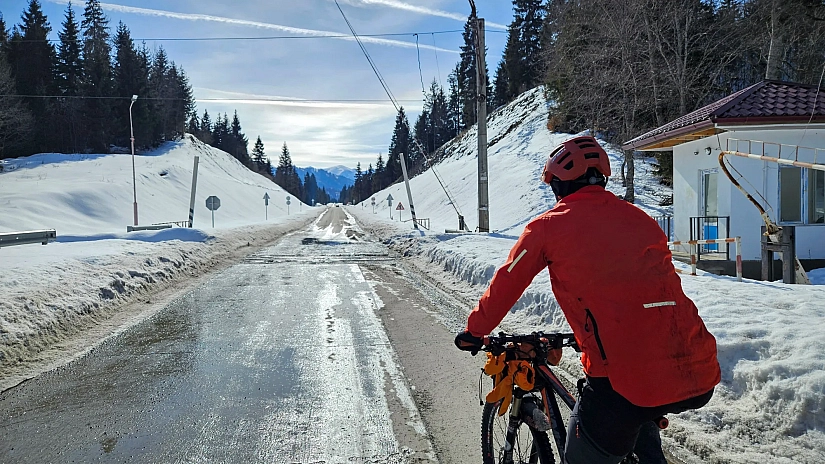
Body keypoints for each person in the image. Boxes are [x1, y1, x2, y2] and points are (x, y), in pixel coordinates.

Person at [454, 136, 720, 464]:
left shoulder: (547, 228)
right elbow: (653, 290)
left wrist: (474, 331)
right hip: (699, 366)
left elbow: (507, 283)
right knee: (636, 418)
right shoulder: (641, 219)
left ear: (560, 187)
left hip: (626, 380)